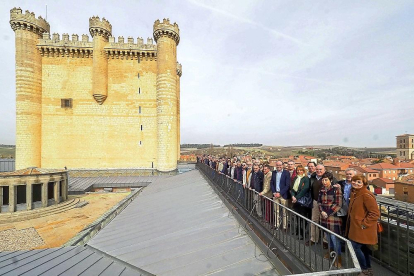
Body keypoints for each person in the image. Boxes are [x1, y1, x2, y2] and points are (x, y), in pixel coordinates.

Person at [345, 175, 380, 276]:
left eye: (359, 182)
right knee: (363, 248)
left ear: (364, 184)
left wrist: (364, 224)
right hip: (356, 227)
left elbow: (374, 213)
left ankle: (364, 269)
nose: (356, 183)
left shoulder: (366, 195)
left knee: (355, 247)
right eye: (354, 181)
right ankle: (368, 269)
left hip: (362, 228)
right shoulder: (355, 193)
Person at [318, 171, 343, 268]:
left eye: (326, 180)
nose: (324, 182)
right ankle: (331, 252)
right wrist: (322, 212)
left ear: (331, 180)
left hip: (333, 218)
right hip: (324, 217)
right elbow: (319, 202)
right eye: (323, 180)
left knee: (334, 238)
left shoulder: (336, 190)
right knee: (328, 237)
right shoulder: (321, 190)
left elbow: (338, 204)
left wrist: (327, 213)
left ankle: (338, 258)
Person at [307, 164, 326, 246]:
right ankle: (313, 238)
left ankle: (325, 241)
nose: (318, 171)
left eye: (320, 169)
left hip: (325, 203)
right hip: (315, 201)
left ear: (324, 170)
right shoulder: (313, 177)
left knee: (324, 221)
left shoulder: (328, 177)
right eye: (317, 169)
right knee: (314, 220)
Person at [291, 165, 311, 239]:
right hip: (296, 201)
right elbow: (293, 189)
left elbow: (304, 189)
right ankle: (298, 230)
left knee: (303, 218)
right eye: (298, 170)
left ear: (303, 171)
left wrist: (296, 197)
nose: (299, 171)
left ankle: (303, 233)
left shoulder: (306, 179)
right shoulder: (296, 178)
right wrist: (293, 196)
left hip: (303, 201)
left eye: (300, 170)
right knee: (297, 216)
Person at [270, 161, 291, 230]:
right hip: (275, 194)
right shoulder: (274, 172)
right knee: (276, 211)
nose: (279, 166)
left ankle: (285, 226)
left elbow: (287, 185)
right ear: (275, 165)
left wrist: (280, 193)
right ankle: (277, 225)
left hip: (283, 195)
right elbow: (272, 183)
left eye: (280, 165)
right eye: (277, 165)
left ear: (282, 165)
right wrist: (274, 192)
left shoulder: (286, 173)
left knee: (284, 212)